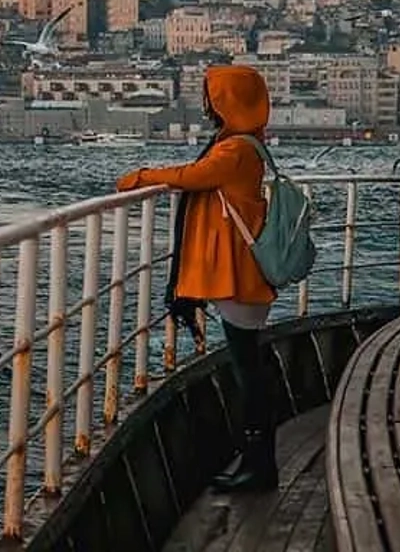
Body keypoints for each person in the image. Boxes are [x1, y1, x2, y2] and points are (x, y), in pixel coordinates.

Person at [115, 64, 278, 492]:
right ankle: (257, 459)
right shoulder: (247, 143)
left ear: (225, 102)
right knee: (250, 364)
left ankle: (260, 465)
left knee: (248, 370)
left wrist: (142, 175)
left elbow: (191, 177)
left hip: (240, 275)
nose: (207, 104)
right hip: (244, 272)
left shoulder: (235, 150)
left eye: (211, 96)